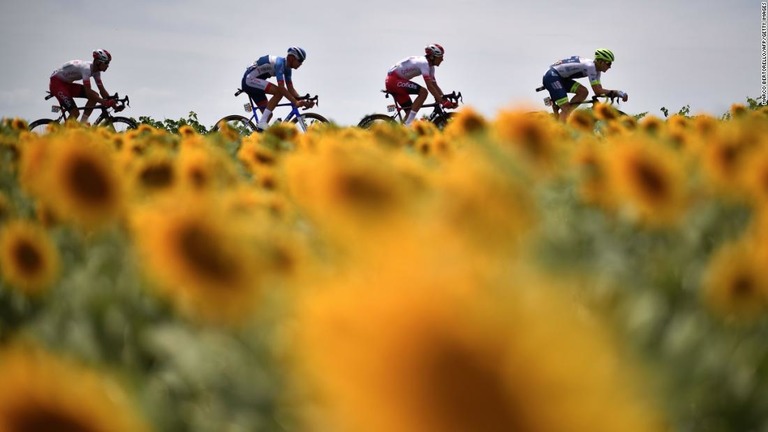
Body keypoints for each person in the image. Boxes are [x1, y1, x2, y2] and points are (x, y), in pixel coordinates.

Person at [542, 48, 628, 122]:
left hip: (560, 77)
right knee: (566, 108)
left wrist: (614, 93)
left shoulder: (596, 70)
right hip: (552, 76)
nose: (610, 66)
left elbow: (598, 90)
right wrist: (618, 93)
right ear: (601, 62)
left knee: (583, 92)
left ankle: (563, 115)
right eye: (608, 63)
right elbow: (597, 91)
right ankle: (561, 132)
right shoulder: (591, 67)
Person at [241, 46, 314, 130]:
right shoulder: (279, 64)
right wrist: (295, 102)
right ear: (291, 58)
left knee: (268, 114)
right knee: (279, 92)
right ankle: (262, 123)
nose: (301, 64)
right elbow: (281, 88)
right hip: (249, 80)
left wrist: (303, 101)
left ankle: (259, 137)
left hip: (255, 84)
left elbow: (290, 89)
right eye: (300, 60)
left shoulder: (287, 69)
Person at [385, 44, 457, 126]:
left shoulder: (431, 67)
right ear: (433, 57)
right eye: (440, 56)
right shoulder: (424, 63)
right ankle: (408, 124)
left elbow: (434, 85)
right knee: (423, 92)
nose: (442, 59)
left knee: (410, 111)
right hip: (394, 80)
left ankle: (401, 131)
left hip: (395, 81)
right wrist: (442, 101)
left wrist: (444, 98)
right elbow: (429, 86)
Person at [49, 49, 116, 124]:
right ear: (98, 62)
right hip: (57, 84)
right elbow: (88, 92)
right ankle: (62, 134)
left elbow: (102, 90)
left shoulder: (96, 71)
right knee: (75, 112)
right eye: (106, 63)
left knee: (95, 96)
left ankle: (82, 123)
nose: (108, 66)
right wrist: (104, 102)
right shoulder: (86, 69)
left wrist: (115, 105)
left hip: (66, 84)